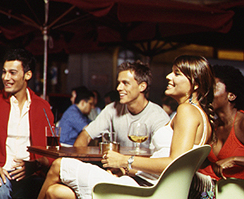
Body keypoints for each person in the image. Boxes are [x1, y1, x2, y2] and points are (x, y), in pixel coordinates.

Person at [38, 55, 215, 199]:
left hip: (146, 191)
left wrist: (125, 161)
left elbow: (174, 164)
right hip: (142, 182)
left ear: (196, 84)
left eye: (177, 73)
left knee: (59, 165)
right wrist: (128, 169)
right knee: (56, 193)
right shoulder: (199, 115)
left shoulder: (187, 111)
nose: (169, 77)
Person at [0, 48, 55, 199]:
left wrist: (36, 164)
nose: (6, 78)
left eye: (12, 73)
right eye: (4, 72)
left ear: (27, 75)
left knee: (59, 191)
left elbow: (54, 147)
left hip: (32, 176)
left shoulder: (43, 107)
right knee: (0, 191)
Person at [73, 61, 170, 149]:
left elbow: (162, 157)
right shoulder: (112, 109)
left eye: (125, 83)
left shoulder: (158, 117)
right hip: (115, 166)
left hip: (143, 168)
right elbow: (86, 135)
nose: (119, 88)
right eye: (119, 83)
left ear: (142, 87)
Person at [188, 65, 244, 199]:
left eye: (213, 88)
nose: (207, 93)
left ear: (231, 95)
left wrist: (234, 159)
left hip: (234, 192)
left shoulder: (242, 123)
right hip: (208, 188)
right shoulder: (213, 124)